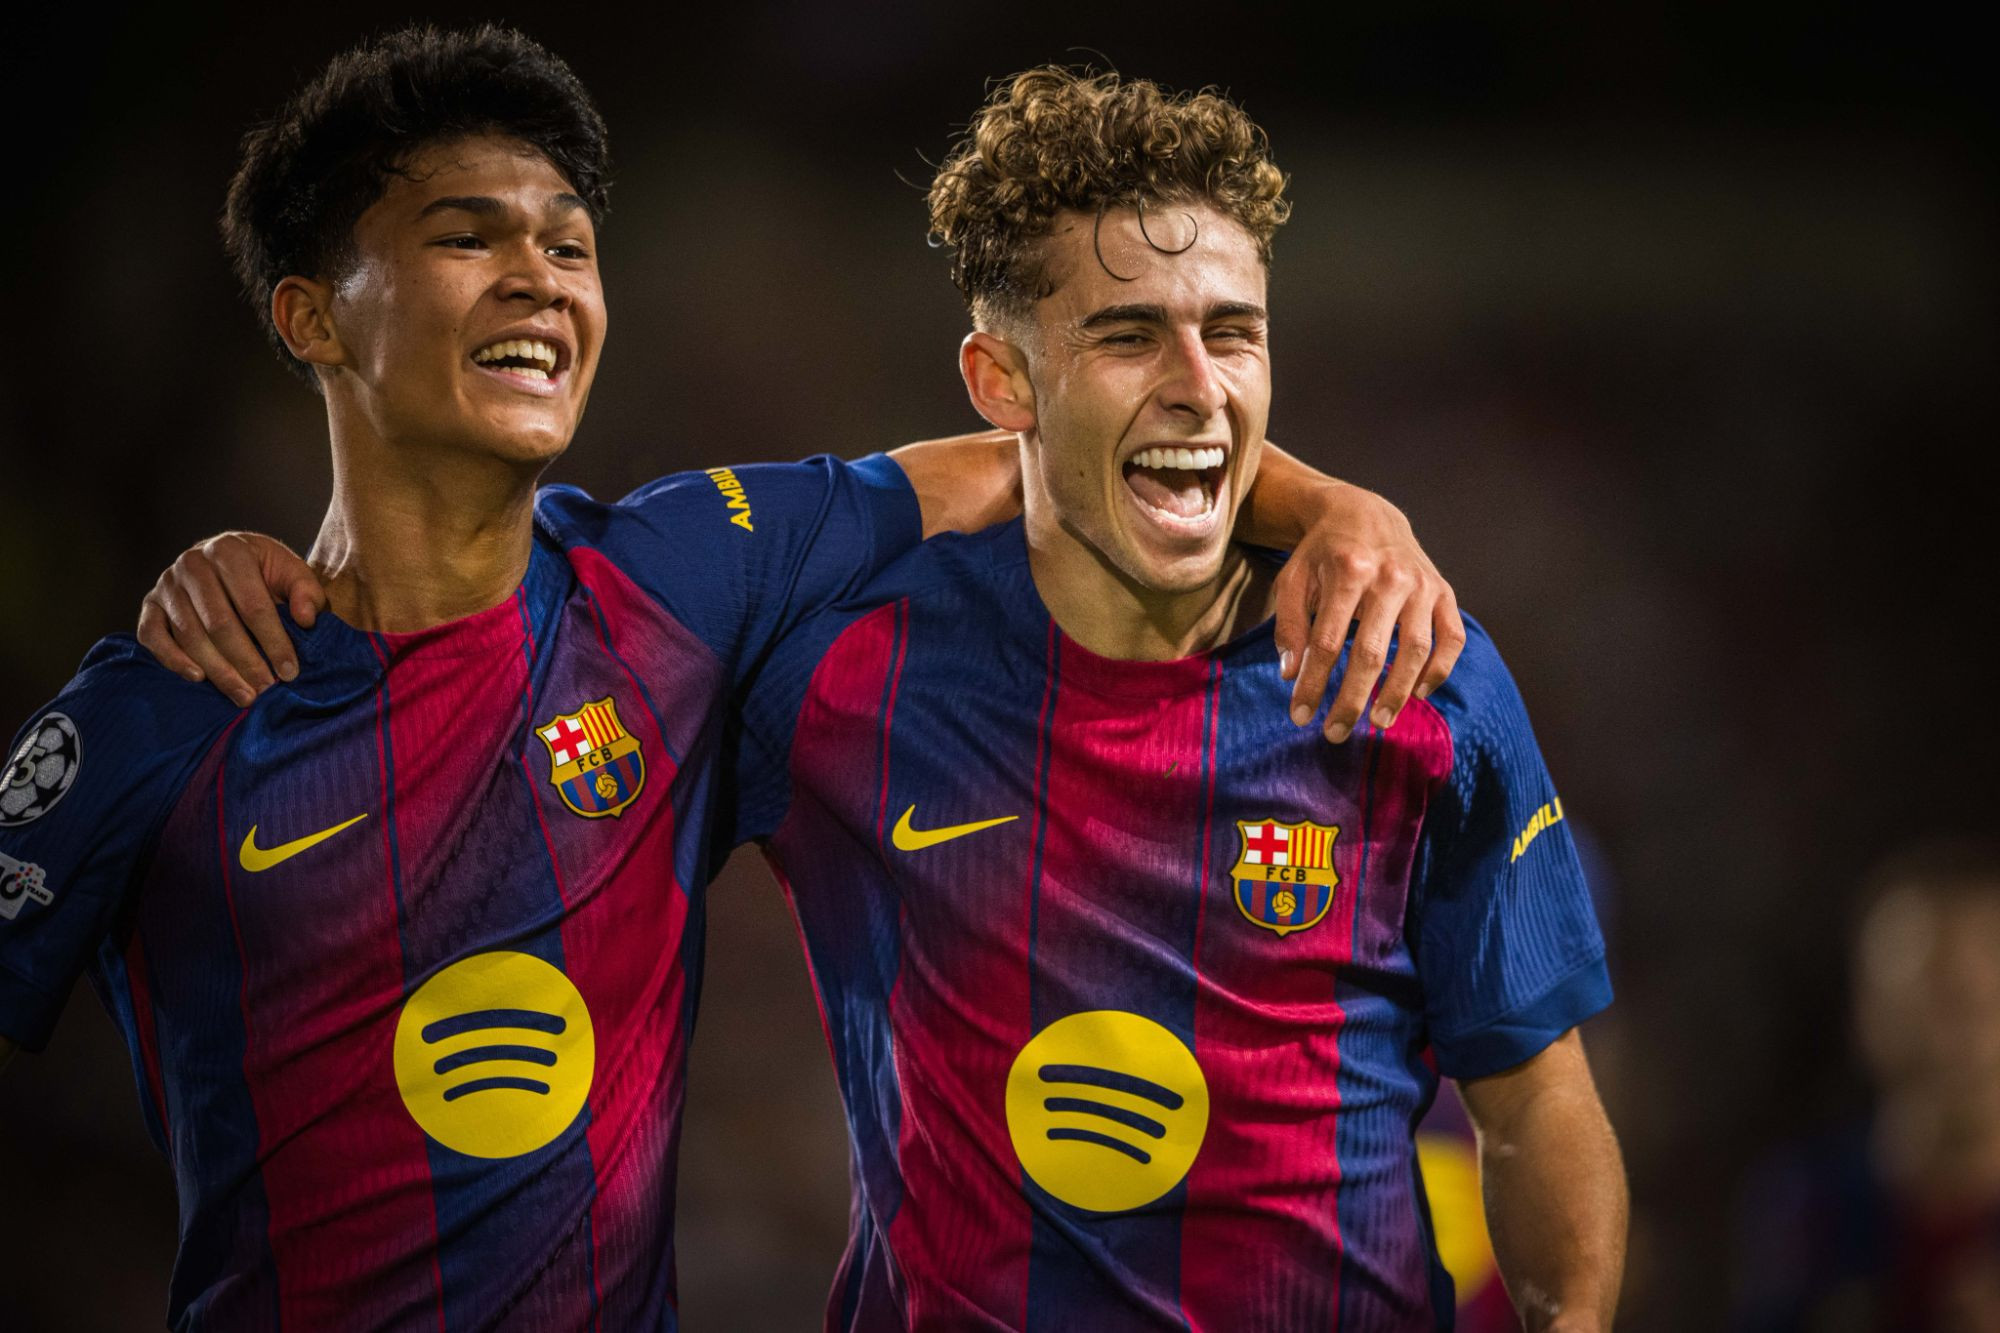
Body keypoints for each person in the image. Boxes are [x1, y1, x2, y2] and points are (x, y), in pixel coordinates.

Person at [0, 27, 1458, 1331]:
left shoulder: (688, 580)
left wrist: (1340, 510)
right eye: (466, 236)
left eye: (570, 246)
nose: (540, 278)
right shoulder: (167, 705)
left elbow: (1049, 453)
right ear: (314, 318)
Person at [713, 68, 1628, 1329]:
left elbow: (1531, 1100)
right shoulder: (844, 673)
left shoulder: (1411, 667)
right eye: (1128, 335)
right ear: (1000, 380)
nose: (1199, 383)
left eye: (1232, 332)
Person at [1734, 838, 2000, 1332]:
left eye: (1978, 995)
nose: (1954, 1032)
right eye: (1922, 995)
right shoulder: (1810, 1208)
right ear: (1864, 1012)